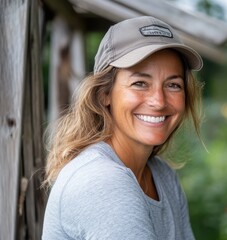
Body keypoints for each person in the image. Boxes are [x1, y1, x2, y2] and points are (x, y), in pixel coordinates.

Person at [42, 16, 204, 239]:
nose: (159, 100)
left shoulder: (163, 176)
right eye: (140, 83)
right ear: (105, 94)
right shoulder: (101, 182)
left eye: (173, 85)